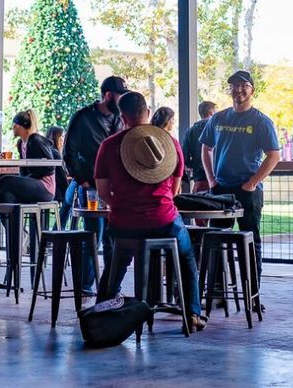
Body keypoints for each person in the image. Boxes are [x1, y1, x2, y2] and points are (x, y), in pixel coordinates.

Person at [95, 91, 206, 331]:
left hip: (124, 223)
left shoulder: (109, 146)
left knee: (116, 261)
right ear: (147, 111)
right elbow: (174, 192)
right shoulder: (170, 144)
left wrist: (121, 205)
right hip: (164, 221)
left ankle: (101, 312)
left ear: (123, 117)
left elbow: (103, 192)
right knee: (186, 257)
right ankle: (193, 313)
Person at [200, 70, 281, 290]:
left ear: (252, 90)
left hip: (248, 191)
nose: (238, 90)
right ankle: (216, 289)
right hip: (220, 190)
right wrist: (211, 180)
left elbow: (274, 155)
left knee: (250, 241)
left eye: (243, 85)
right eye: (234, 86)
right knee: (215, 239)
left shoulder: (261, 121)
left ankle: (252, 293)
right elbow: (206, 149)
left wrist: (253, 182)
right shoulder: (218, 118)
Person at [63, 75, 128, 296]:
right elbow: (68, 153)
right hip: (90, 184)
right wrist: (81, 179)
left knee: (115, 235)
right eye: (120, 96)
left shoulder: (121, 120)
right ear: (108, 95)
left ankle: (110, 287)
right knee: (94, 234)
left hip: (116, 186)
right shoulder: (82, 118)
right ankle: (85, 285)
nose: (122, 102)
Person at [0, 109, 57, 205]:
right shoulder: (21, 143)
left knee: (5, 180)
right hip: (32, 183)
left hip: (45, 187)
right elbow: (24, 170)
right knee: (6, 196)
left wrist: (28, 177)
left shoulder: (35, 140)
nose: (12, 128)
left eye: (14, 125)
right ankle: (12, 220)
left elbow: (49, 167)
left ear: (18, 126)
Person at [182, 101, 216, 194]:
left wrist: (193, 165)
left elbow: (184, 156)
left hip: (199, 178)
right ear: (211, 113)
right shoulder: (217, 130)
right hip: (217, 178)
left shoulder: (190, 132)